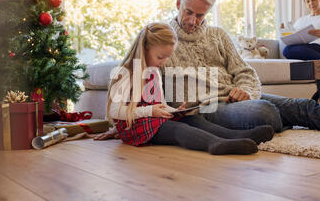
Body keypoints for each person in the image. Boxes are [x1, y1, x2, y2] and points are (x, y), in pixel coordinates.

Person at [95, 0, 320, 141]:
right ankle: (272, 122)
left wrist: (246, 91)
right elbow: (135, 77)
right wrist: (126, 119)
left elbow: (244, 71)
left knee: (304, 106)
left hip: (238, 100)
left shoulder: (219, 35)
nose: (193, 21)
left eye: (200, 15)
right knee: (265, 113)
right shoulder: (163, 41)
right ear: (177, 4)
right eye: (188, 12)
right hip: (208, 110)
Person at [106, 22, 274, 155]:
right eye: (160, 56)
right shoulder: (126, 73)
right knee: (177, 129)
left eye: (168, 57)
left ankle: (238, 136)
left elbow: (161, 103)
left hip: (154, 119)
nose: (164, 62)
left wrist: (173, 110)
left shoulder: (155, 72)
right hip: (135, 127)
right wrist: (150, 111)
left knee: (192, 119)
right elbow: (115, 110)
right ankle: (214, 144)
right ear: (144, 49)